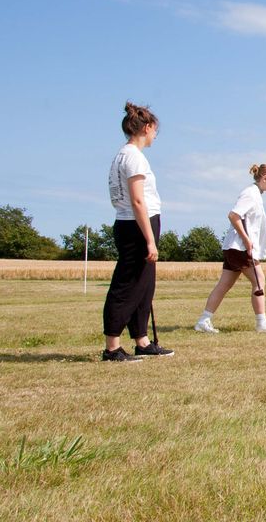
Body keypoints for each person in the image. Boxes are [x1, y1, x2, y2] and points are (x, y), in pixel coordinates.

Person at [102, 102, 174, 361]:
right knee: (127, 286)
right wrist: (150, 240)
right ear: (147, 128)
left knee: (145, 286)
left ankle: (142, 341)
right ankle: (112, 347)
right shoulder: (133, 157)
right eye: (155, 130)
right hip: (135, 225)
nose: (155, 135)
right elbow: (137, 200)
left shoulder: (124, 155)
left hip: (135, 223)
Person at [194, 164, 266, 333]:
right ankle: (261, 322)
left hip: (235, 248)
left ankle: (204, 320)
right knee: (259, 280)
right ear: (264, 178)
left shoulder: (255, 194)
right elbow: (233, 215)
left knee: (224, 284)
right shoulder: (250, 194)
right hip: (240, 248)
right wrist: (247, 240)